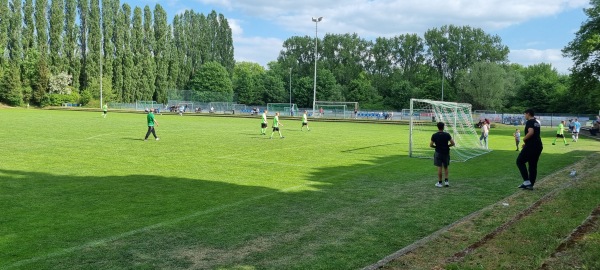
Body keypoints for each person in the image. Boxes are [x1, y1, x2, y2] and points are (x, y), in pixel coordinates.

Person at [517, 109, 543, 190]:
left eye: (525, 114)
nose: (525, 116)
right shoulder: (536, 122)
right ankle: (530, 184)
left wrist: (524, 139)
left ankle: (526, 181)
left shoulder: (530, 122)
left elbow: (531, 132)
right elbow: (535, 135)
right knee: (532, 165)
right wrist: (527, 143)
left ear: (528, 114)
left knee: (520, 161)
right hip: (538, 145)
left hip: (531, 146)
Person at [430, 122, 455, 187]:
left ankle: (440, 182)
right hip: (446, 152)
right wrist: (447, 146)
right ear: (443, 127)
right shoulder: (447, 134)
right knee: (446, 167)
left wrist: (436, 147)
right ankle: (446, 181)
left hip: (438, 152)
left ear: (437, 127)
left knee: (439, 167)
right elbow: (453, 143)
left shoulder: (434, 135)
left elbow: (431, 145)